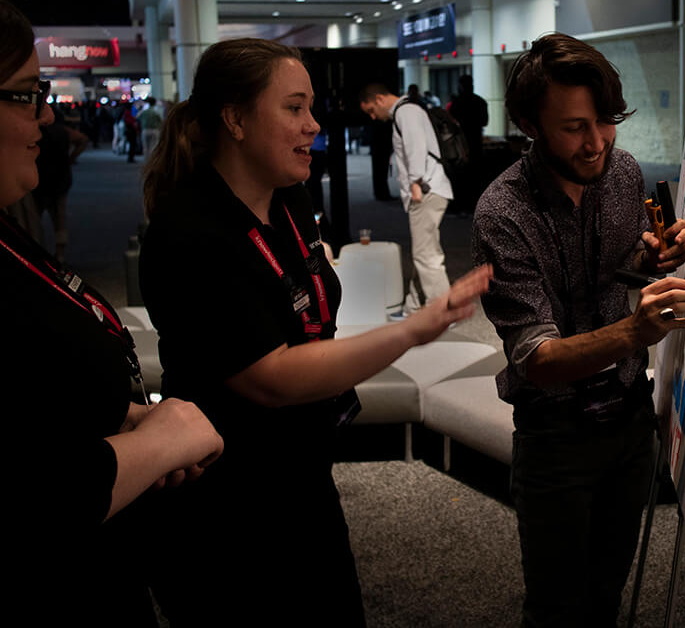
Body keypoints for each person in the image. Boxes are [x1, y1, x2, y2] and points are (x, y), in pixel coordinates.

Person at [139, 38, 491, 625]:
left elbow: (309, 318)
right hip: (227, 505)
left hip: (302, 477)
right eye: (294, 108)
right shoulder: (190, 233)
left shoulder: (291, 202)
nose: (314, 125)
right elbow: (270, 377)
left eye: (311, 108)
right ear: (235, 119)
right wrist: (412, 332)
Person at [471, 33, 685, 627]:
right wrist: (635, 331)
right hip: (555, 437)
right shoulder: (502, 212)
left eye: (606, 121)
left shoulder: (622, 173)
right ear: (529, 124)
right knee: (556, 609)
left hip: (629, 423)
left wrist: (653, 256)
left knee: (605, 595)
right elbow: (539, 358)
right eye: (575, 127)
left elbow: (620, 262)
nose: (597, 142)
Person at [0, 0, 224, 625]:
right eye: (25, 94)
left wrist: (121, 418)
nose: (46, 114)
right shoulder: (186, 228)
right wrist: (159, 443)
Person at [360, 82, 454, 316]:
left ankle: (443, 312)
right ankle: (413, 307)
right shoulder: (409, 109)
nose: (373, 117)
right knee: (423, 252)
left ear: (380, 99)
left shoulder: (406, 111)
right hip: (429, 188)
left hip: (425, 189)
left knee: (427, 255)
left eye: (371, 110)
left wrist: (414, 184)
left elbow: (416, 149)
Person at [32, 111, 88, 263]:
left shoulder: (36, 131)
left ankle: (36, 251)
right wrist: (71, 158)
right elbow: (82, 139)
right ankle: (60, 254)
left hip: (39, 181)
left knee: (34, 219)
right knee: (59, 219)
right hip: (60, 180)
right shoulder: (63, 131)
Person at [448, 73, 489, 214]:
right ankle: (475, 205)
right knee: (476, 176)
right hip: (476, 143)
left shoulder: (456, 103)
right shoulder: (480, 101)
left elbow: (451, 124)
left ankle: (461, 205)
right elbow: (485, 121)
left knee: (461, 177)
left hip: (460, 145)